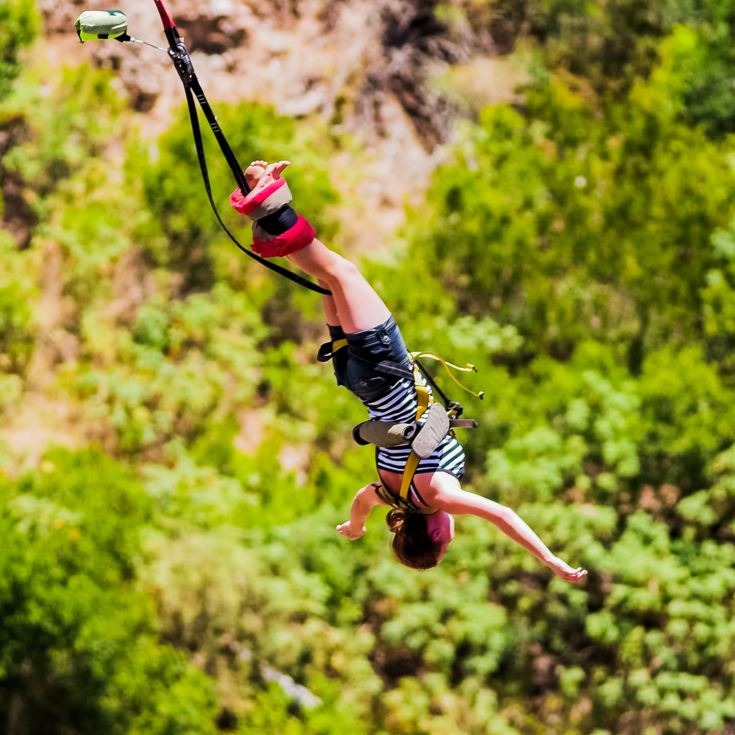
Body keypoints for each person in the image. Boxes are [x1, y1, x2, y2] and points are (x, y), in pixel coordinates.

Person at [230, 160, 588, 584]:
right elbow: (361, 502)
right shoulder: (390, 494)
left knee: (341, 272)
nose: (452, 536)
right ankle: (266, 210)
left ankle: (269, 201)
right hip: (357, 377)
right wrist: (357, 526)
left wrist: (550, 560)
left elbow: (503, 516)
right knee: (329, 279)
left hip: (386, 368)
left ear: (436, 533)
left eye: (446, 543)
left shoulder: (441, 496)